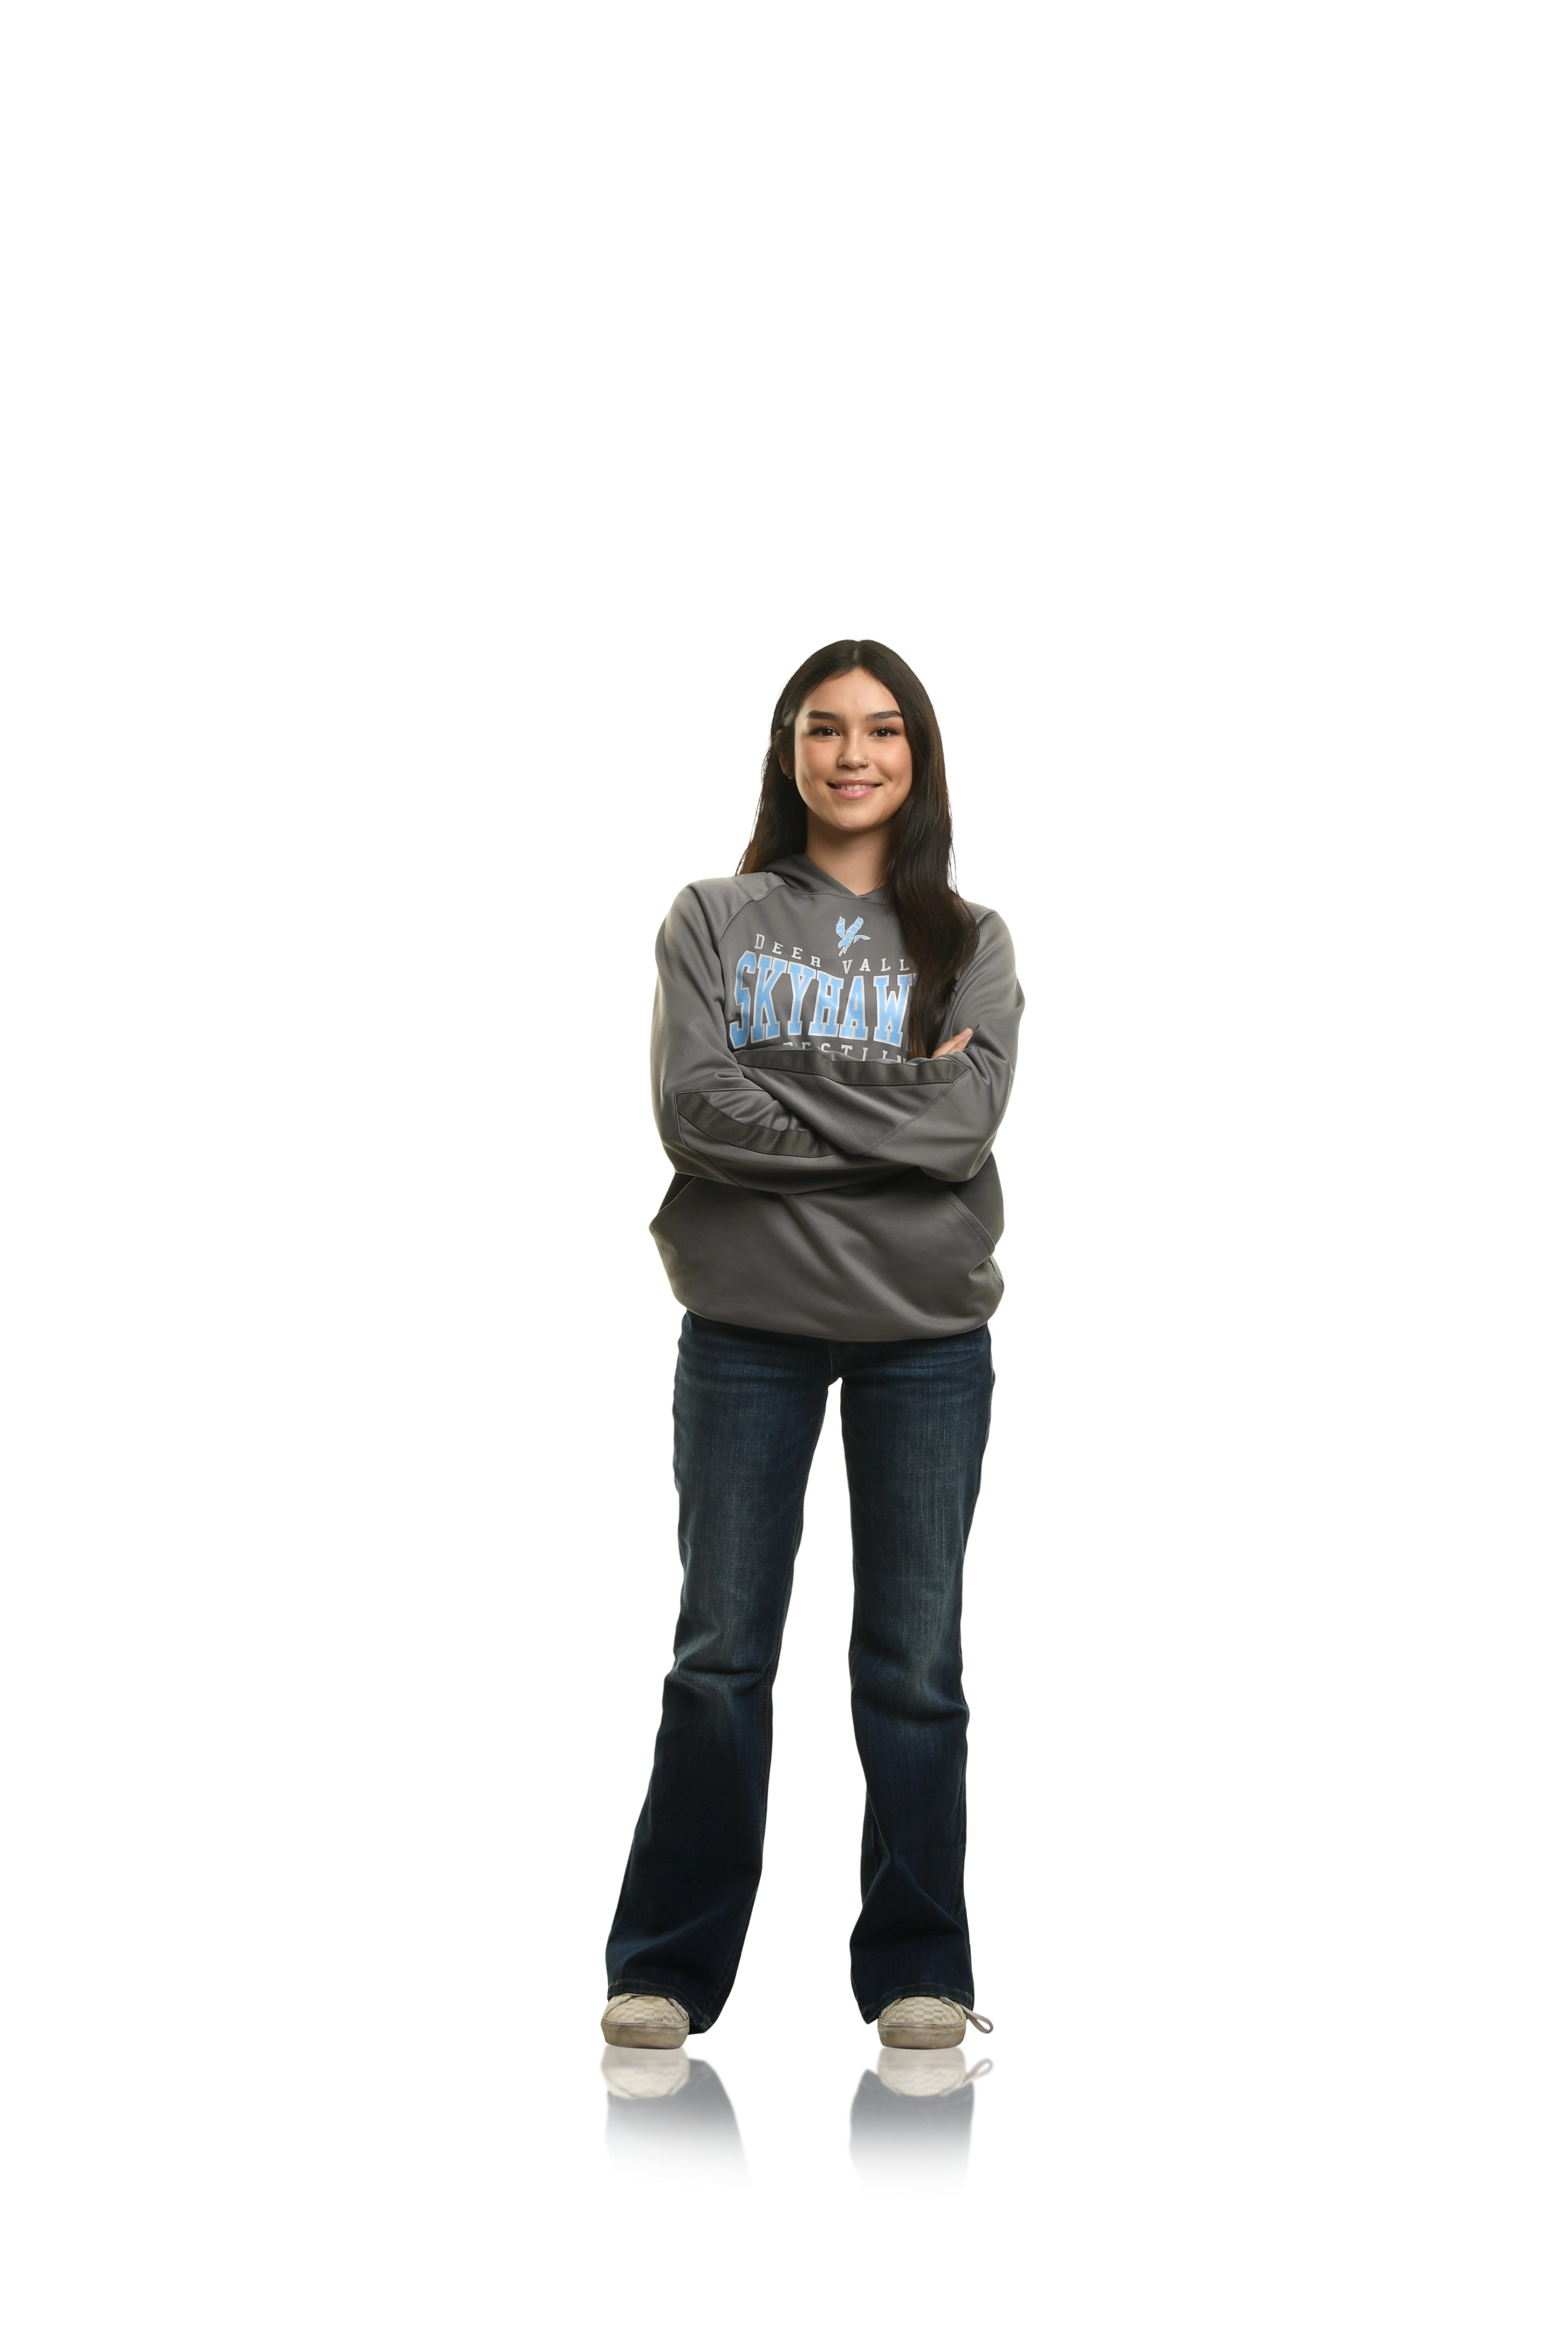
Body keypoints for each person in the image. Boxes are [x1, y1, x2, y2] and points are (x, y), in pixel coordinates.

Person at [602, 637, 1024, 2053]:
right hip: (745, 1328)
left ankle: (919, 1975)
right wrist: (901, 1103)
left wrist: (788, 1081)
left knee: (914, 1665)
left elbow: (968, 1127)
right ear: (787, 750)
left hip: (926, 1338)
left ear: (922, 756)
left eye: (884, 729)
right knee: (721, 1655)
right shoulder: (713, 916)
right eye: (825, 727)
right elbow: (696, 1113)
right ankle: (666, 1970)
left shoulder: (972, 942)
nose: (854, 754)